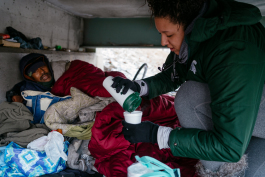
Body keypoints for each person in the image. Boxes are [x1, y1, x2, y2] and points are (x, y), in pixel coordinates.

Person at [111, 0, 265, 176]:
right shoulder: (202, 33)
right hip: (249, 122)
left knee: (188, 98)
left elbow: (229, 146)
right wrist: (139, 86)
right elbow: (179, 70)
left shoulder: (232, 50)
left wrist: (157, 134)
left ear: (190, 25)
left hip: (249, 125)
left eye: (168, 34)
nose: (163, 41)